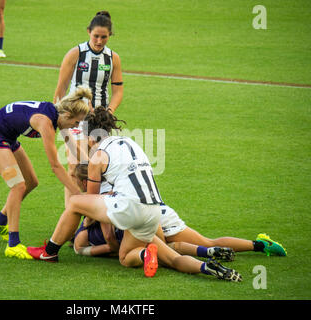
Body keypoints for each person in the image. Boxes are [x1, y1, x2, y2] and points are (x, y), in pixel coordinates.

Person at [27, 108, 242, 281]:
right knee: (159, 258)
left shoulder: (98, 156)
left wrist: (86, 230)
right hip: (154, 210)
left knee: (75, 202)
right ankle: (207, 267)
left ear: (91, 135)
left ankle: (50, 251)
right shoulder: (131, 143)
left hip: (129, 208)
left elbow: (90, 202)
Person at [72, 163, 287, 259]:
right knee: (200, 243)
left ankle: (253, 246)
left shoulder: (99, 198)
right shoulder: (112, 179)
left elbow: (109, 237)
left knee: (181, 249)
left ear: (84, 180)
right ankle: (259, 245)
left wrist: (109, 248)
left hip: (150, 217)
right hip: (158, 210)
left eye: (77, 182)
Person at [0, 86, 92, 259]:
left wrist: (92, 166)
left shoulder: (59, 117)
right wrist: (77, 194)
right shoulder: (46, 123)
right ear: (68, 116)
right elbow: (55, 166)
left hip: (8, 138)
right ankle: (13, 244)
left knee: (32, 182)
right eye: (76, 122)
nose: (76, 126)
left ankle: (0, 221)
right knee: (17, 186)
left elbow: (73, 147)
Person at [52, 11, 124, 207]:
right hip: (74, 118)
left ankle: (91, 216)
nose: (99, 41)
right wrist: (59, 119)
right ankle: (71, 215)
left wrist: (109, 112)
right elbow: (60, 89)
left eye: (104, 37)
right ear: (88, 32)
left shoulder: (113, 58)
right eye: (96, 36)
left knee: (96, 167)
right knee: (75, 166)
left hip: (99, 120)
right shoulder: (76, 54)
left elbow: (118, 91)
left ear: (110, 35)